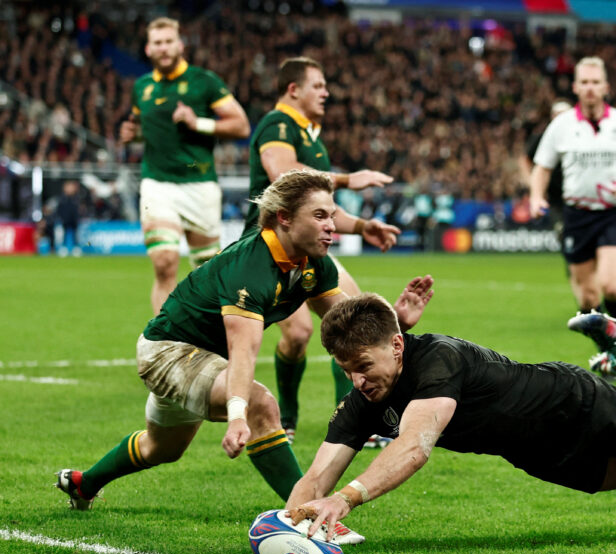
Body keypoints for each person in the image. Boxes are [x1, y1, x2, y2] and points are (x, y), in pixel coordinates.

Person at [280, 293, 616, 541]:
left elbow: (416, 446)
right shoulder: (362, 400)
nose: (356, 380)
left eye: (363, 366)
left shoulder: (436, 359)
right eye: (346, 369)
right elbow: (317, 473)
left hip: (576, 402)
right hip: (537, 452)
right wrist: (287, 530)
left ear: (397, 346)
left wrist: (347, 499)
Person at [55, 171, 434, 517]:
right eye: (320, 216)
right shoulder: (251, 268)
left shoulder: (313, 263)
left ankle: (83, 484)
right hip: (168, 353)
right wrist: (238, 415)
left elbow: (350, 325)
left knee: (162, 449)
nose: (332, 226)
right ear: (284, 217)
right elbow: (244, 353)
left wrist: (396, 322)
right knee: (261, 405)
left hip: (205, 360)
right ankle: (306, 515)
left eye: (332, 216)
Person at [247, 57, 398, 441]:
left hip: (310, 248)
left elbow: (322, 208)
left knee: (355, 324)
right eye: (318, 85)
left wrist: (365, 227)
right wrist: (349, 178)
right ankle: (289, 417)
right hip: (273, 248)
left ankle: (356, 421)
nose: (326, 92)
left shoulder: (311, 136)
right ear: (293, 89)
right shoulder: (277, 125)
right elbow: (284, 173)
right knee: (297, 334)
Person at [119, 17, 251, 315]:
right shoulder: (142, 87)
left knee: (207, 272)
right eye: (157, 43)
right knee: (164, 263)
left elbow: (241, 126)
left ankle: (205, 341)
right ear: (148, 49)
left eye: (168, 42)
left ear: (180, 45)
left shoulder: (203, 81)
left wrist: (198, 122)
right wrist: (133, 136)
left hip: (199, 184)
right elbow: (147, 128)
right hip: (157, 184)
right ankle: (164, 346)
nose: (163, 48)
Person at [529, 57, 616, 318]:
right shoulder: (560, 126)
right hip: (577, 213)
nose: (590, 88)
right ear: (575, 87)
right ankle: (606, 346)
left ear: (606, 87)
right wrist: (536, 196)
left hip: (613, 211)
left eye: (595, 82)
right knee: (588, 299)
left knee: (612, 287)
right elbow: (542, 167)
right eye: (584, 82)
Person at [519, 99, 572, 230]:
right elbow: (525, 159)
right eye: (556, 114)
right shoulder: (544, 136)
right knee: (562, 229)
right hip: (554, 195)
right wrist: (533, 184)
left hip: (575, 192)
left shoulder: (578, 136)